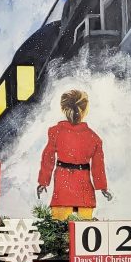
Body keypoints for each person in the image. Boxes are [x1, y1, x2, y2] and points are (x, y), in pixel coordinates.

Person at [37, 88, 112, 219]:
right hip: (84, 190)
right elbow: (98, 167)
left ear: (63, 108)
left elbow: (47, 159)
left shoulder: (56, 132)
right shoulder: (94, 138)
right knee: (82, 230)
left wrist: (43, 182)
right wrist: (102, 187)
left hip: (62, 188)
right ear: (85, 111)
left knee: (58, 230)